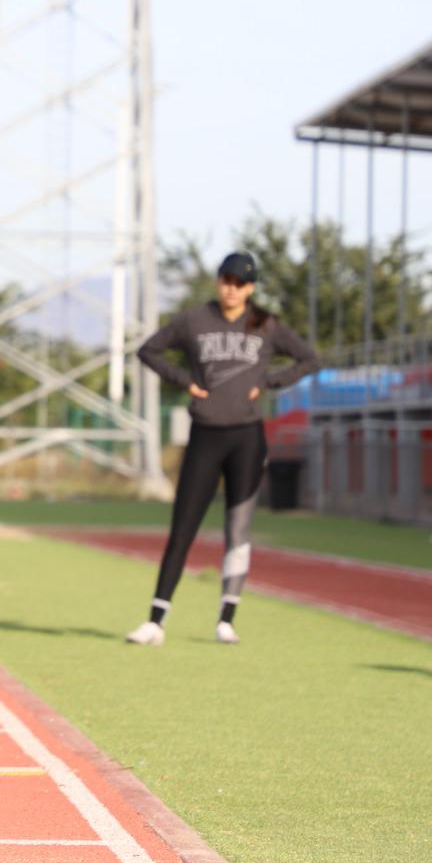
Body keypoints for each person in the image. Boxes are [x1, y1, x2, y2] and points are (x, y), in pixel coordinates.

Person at [126, 252, 318, 645]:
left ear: (251, 287)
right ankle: (156, 620)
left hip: (247, 437)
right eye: (226, 280)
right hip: (205, 435)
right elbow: (148, 350)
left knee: (238, 528)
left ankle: (227, 618)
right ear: (218, 281)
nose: (231, 288)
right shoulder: (194, 320)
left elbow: (310, 359)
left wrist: (270, 381)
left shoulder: (265, 324)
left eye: (240, 283)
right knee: (183, 527)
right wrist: (184, 381)